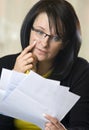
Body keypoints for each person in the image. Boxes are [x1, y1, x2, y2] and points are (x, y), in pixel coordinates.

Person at [0, 0, 89, 130]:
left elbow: (82, 126)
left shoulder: (80, 71)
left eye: (56, 37)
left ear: (65, 43)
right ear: (29, 29)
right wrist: (14, 79)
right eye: (40, 32)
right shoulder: (5, 64)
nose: (44, 43)